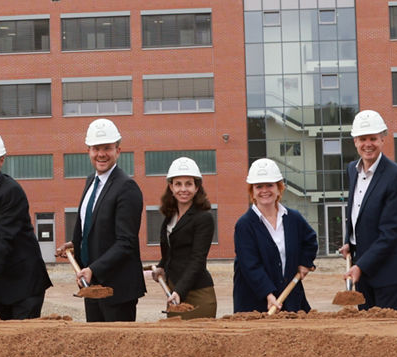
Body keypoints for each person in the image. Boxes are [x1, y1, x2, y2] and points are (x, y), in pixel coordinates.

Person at [60, 118, 146, 321]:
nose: (101, 154)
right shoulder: (91, 181)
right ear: (88, 151)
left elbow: (126, 242)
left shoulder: (126, 187)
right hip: (92, 285)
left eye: (107, 148)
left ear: (118, 150)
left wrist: (93, 269)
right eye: (96, 148)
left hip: (117, 289)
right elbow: (94, 226)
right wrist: (77, 245)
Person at [0, 130, 52, 319]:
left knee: (21, 343)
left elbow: (4, 239)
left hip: (23, 283)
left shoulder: (11, 192)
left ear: (1, 160)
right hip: (0, 281)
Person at [340, 109, 397, 311]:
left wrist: (360, 266)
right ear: (355, 141)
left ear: (383, 139)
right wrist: (350, 240)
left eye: (373, 138)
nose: (368, 144)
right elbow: (355, 210)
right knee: (366, 331)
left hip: (389, 271)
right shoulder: (352, 170)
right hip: (362, 267)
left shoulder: (396, 176)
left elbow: (390, 232)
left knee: (389, 332)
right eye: (362, 139)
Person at [233, 158, 317, 313]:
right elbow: (250, 265)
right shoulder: (244, 225)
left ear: (279, 188)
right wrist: (267, 293)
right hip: (255, 302)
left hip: (290, 298)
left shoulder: (293, 218)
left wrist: (305, 262)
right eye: (259, 186)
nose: (265, 190)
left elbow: (310, 240)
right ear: (252, 191)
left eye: (270, 185)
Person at [151, 157, 217, 317]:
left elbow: (197, 260)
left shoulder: (204, 218)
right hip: (174, 291)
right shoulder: (169, 216)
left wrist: (179, 291)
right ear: (171, 187)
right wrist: (161, 266)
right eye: (178, 184)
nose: (183, 189)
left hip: (198, 294)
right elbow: (171, 251)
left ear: (197, 187)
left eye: (188, 184)